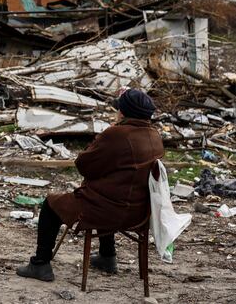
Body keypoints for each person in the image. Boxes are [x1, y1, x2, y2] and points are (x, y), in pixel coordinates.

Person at [16, 88, 164, 282]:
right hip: (139, 213)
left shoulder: (117, 134)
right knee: (107, 190)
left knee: (51, 204)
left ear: (124, 112)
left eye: (119, 108)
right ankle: (107, 256)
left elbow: (83, 165)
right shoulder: (154, 136)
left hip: (110, 210)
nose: (117, 111)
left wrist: (102, 137)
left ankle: (40, 264)